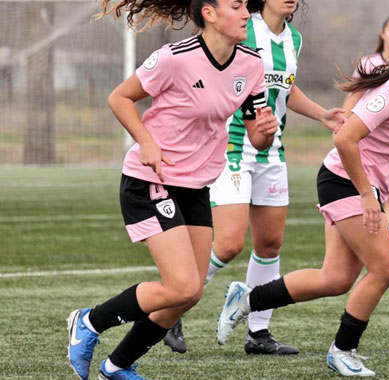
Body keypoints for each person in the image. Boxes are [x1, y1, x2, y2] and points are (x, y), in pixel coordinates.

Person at [216, 28, 389, 377]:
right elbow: (345, 140)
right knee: (385, 268)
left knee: (334, 279)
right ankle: (342, 350)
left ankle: (247, 299)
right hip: (343, 179)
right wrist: (367, 196)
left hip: (368, 187)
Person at [66, 1, 277, 379]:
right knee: (179, 285)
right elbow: (120, 97)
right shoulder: (174, 58)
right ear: (209, 13)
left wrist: (265, 132)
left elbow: (256, 137)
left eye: (247, 5)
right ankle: (88, 321)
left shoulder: (251, 63)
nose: (247, 12)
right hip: (151, 180)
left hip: (195, 185)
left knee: (188, 294)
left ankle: (116, 366)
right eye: (236, 5)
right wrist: (146, 141)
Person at [162, 0, 347, 356]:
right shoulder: (245, 27)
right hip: (233, 146)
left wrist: (323, 114)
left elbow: (285, 90)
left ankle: (258, 333)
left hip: (271, 150)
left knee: (270, 244)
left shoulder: (294, 37)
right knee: (230, 243)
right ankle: (174, 306)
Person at [342, 15, 389, 235]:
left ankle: (385, 243)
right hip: (367, 137)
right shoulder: (369, 62)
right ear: (382, 34)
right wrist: (343, 121)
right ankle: (370, 239)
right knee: (364, 190)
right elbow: (355, 93)